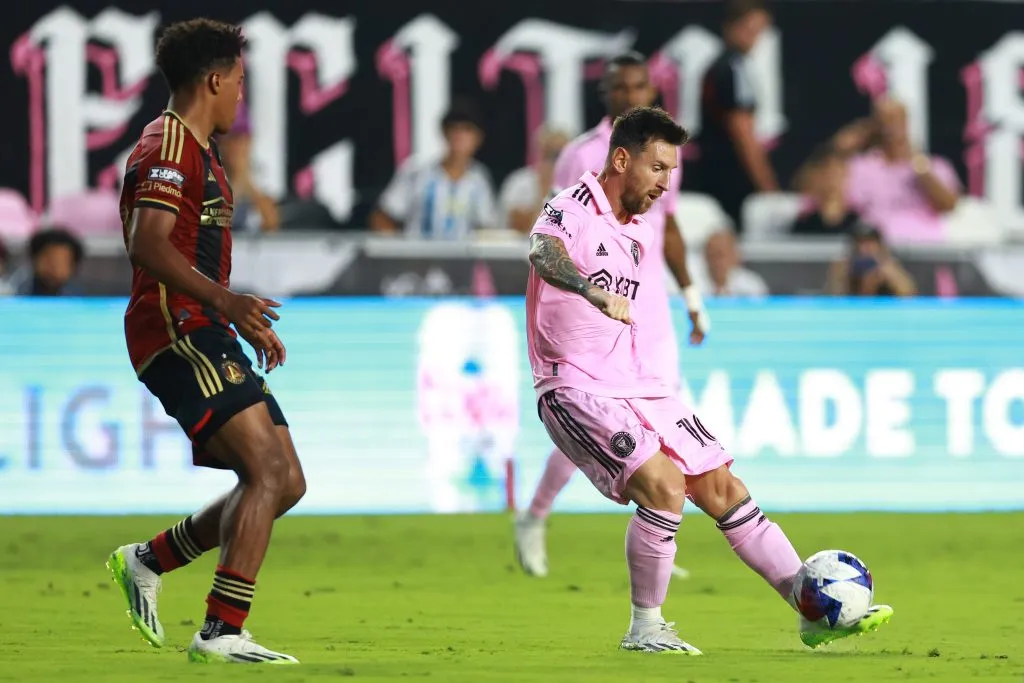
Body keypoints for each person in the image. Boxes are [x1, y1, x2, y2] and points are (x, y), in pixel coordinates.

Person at [525, 106, 893, 652]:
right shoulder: (574, 204)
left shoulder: (638, 233)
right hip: (574, 385)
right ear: (621, 159)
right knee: (664, 488)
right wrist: (589, 289)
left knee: (722, 485)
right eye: (656, 169)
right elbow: (542, 251)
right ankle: (645, 629)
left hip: (636, 382)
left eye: (671, 172)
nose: (664, 185)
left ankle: (810, 605)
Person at [105, 18, 305, 665]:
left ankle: (149, 559)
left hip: (204, 324)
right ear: (213, 80)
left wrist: (237, 315)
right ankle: (221, 631)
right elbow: (148, 244)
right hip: (174, 326)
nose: (241, 97)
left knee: (286, 479)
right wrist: (226, 302)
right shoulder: (167, 144)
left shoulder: (198, 148)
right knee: (265, 470)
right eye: (239, 83)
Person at [515, 52, 708, 580]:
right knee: (600, 426)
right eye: (620, 87)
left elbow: (667, 225)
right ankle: (535, 516)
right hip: (596, 310)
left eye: (639, 84)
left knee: (663, 428)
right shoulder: (581, 155)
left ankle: (659, 533)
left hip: (651, 308)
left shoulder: (665, 152)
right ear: (607, 96)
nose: (631, 93)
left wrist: (691, 296)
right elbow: (553, 228)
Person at [696, 0, 777, 229]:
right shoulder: (733, 67)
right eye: (749, 30)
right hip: (731, 180)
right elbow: (742, 130)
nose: (754, 39)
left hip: (714, 174)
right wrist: (767, 187)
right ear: (730, 26)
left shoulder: (719, 65)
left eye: (759, 32)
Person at [370, 103, 497, 239]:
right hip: (418, 258)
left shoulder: (480, 179)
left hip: (463, 258)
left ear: (478, 138)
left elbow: (487, 227)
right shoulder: (417, 171)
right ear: (444, 133)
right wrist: (398, 249)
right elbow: (383, 216)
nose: (460, 137)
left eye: (467, 130)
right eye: (454, 129)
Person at [844, 97, 960, 244]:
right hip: (878, 251)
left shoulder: (933, 164)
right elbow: (838, 210)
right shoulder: (860, 167)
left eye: (896, 119)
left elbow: (949, 205)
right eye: (884, 120)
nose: (890, 127)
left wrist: (922, 170)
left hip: (926, 250)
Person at [500, 126, 569, 233]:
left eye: (559, 153)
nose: (554, 160)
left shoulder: (575, 185)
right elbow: (519, 226)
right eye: (549, 153)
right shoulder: (519, 182)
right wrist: (544, 187)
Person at [826, 224, 917, 297]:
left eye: (869, 243)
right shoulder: (844, 267)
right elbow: (836, 300)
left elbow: (909, 296)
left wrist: (889, 275)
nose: (864, 249)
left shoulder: (888, 265)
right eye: (860, 243)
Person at [790, 144, 863, 237]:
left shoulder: (858, 220)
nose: (832, 179)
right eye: (828, 173)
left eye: (837, 173)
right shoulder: (805, 220)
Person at [9, 227, 85, 296]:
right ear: (34, 259)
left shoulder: (82, 300)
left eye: (61, 262)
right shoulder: (15, 294)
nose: (54, 268)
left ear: (73, 267)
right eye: (49, 260)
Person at [695, 229, 769, 297]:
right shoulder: (694, 285)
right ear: (704, 257)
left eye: (721, 255)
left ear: (735, 256)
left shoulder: (751, 285)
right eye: (712, 255)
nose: (716, 261)